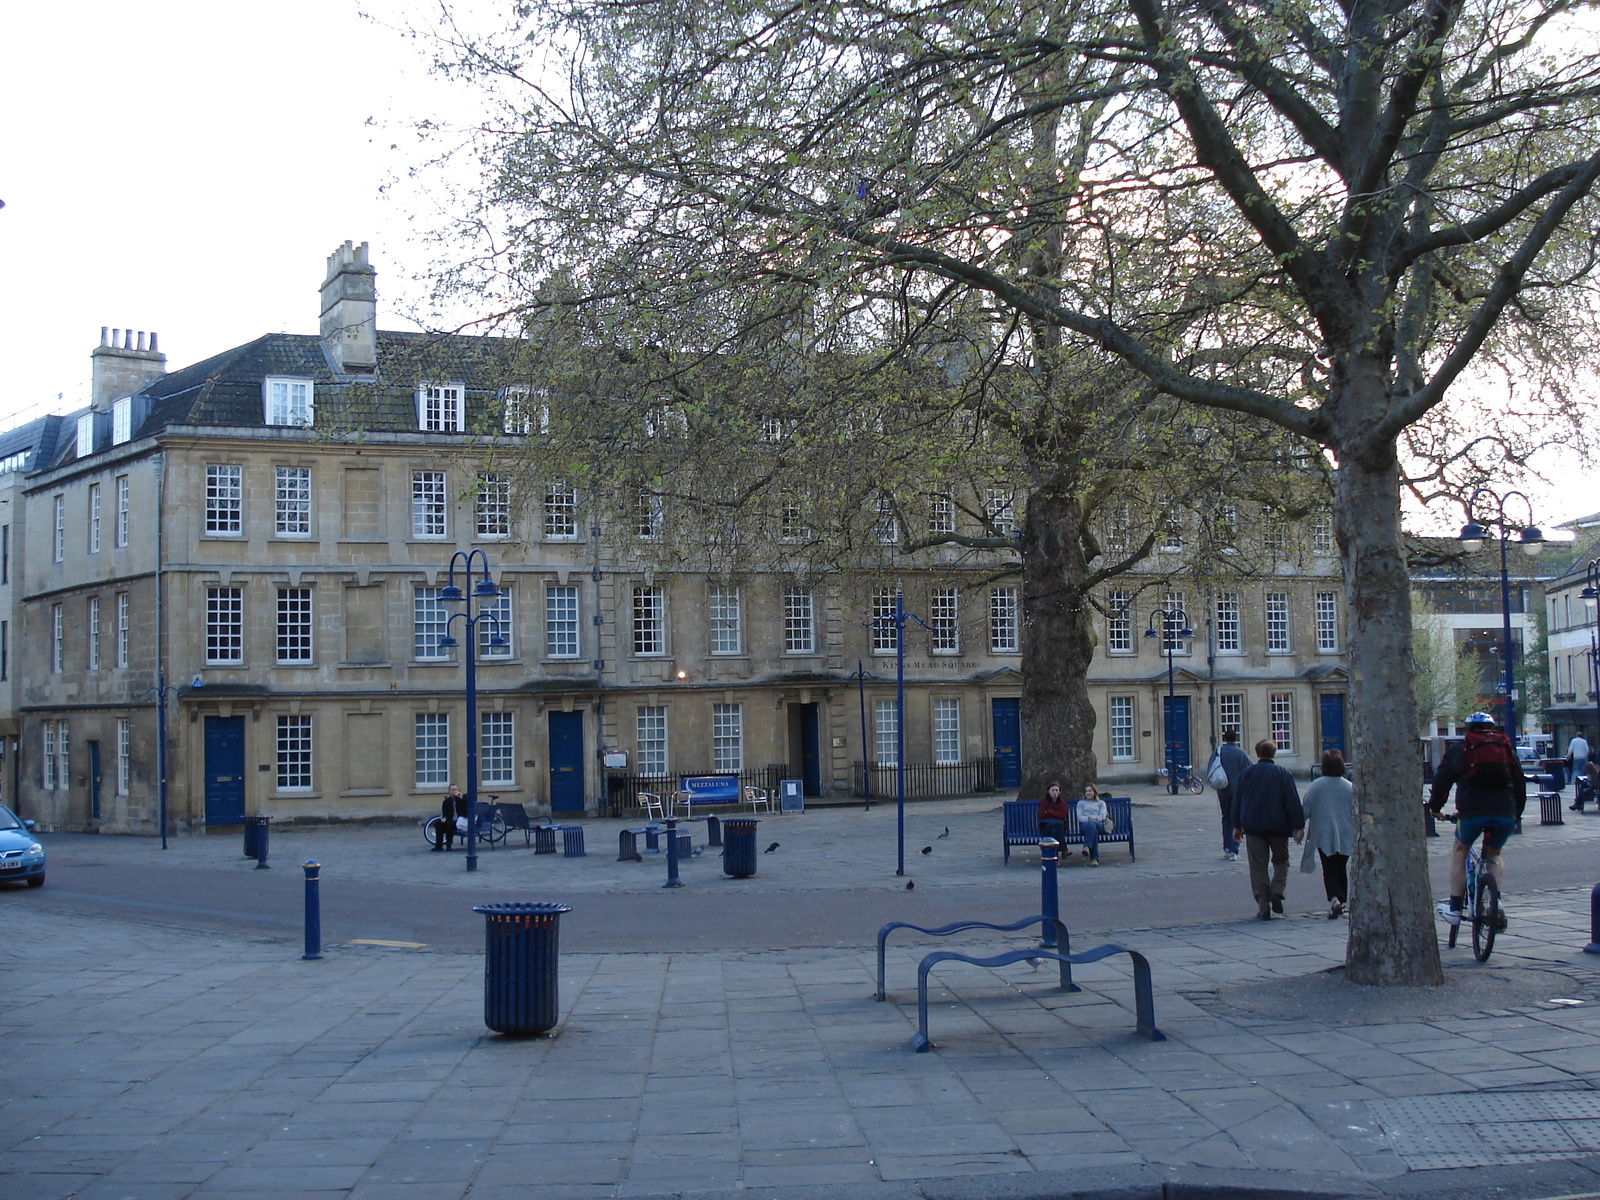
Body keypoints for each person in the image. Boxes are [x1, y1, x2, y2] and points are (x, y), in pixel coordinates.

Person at [1430, 712, 1525, 929]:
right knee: (1494, 854)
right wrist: (1515, 816)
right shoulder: (1506, 750)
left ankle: (1454, 907)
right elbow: (1519, 784)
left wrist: (1436, 809)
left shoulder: (1459, 751)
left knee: (1460, 850)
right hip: (1504, 812)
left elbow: (1441, 783)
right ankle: (1496, 902)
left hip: (1471, 813)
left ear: (1468, 730)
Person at [1230, 739, 1304, 920]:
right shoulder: (1283, 773)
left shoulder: (1246, 774)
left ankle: (1263, 906)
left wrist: (1237, 826)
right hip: (1278, 826)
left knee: (1258, 866)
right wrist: (1299, 826)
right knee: (1281, 860)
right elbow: (1292, 802)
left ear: (1257, 753)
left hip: (1253, 826)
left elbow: (1237, 801)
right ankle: (1277, 890)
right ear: (1274, 753)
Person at [1301, 749, 1355, 919]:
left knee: (1329, 868)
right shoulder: (1349, 787)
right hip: (1346, 833)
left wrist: (1298, 827)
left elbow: (1305, 810)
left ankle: (1334, 900)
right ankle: (1342, 900)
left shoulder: (1316, 786)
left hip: (1323, 833)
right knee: (1341, 868)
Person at [1215, 729, 1251, 861]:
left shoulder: (1218, 752)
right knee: (1236, 820)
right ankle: (1234, 849)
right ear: (1236, 738)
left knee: (1226, 818)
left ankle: (1227, 848)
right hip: (1237, 791)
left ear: (1224, 738)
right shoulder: (1240, 753)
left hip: (1223, 789)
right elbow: (1249, 770)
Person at [1077, 784, 1108, 866]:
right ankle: (1094, 859)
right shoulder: (1081, 803)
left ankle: (1087, 846)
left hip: (1098, 824)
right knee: (1093, 830)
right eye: (1086, 791)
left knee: (1092, 825)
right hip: (1085, 825)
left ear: (1094, 792)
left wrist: (1094, 819)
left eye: (1090, 791)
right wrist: (1089, 818)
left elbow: (1102, 816)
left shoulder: (1101, 803)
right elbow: (1080, 817)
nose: (1088, 793)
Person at [436, 784, 467, 851]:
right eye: (452, 790)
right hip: (450, 819)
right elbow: (444, 813)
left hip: (461, 820)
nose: (454, 791)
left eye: (455, 790)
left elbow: (467, 807)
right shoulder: (446, 802)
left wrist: (461, 798)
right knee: (438, 823)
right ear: (449, 791)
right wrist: (444, 817)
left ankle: (448, 845)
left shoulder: (462, 799)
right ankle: (438, 846)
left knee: (449, 824)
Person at [1037, 782, 1069, 846]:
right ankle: (1064, 849)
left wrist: (1049, 812)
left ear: (1059, 792)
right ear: (1048, 791)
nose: (1055, 792)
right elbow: (1041, 815)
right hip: (1046, 827)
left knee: (1054, 831)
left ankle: (1055, 853)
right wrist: (1056, 814)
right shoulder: (1043, 803)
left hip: (1059, 828)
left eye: (1057, 790)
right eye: (1053, 790)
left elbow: (1063, 815)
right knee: (1057, 823)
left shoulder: (1062, 804)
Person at [1567, 733, 1591, 811]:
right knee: (1583, 770)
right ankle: (1583, 780)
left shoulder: (1573, 740)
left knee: (1576, 769)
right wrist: (1585, 755)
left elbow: (1570, 749)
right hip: (1583, 757)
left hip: (1577, 757)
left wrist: (1568, 756)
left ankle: (1578, 780)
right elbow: (1587, 750)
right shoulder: (1584, 741)